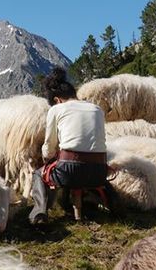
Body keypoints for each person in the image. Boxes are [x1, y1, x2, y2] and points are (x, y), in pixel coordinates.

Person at [29, 67, 109, 225]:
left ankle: (39, 214)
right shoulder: (97, 109)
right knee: (81, 171)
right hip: (100, 171)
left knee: (39, 174)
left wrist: (47, 159)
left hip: (70, 170)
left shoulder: (56, 109)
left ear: (57, 100)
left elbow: (49, 147)